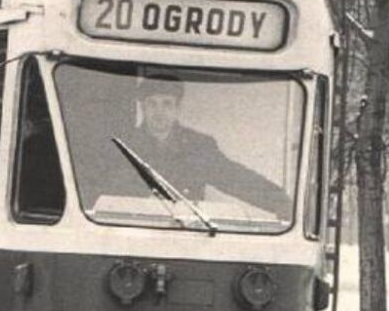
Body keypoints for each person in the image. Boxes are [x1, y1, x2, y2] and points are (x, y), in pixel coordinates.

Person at [120, 73, 292, 218]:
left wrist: (281, 203)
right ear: (142, 107)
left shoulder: (198, 146)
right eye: (152, 104)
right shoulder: (123, 145)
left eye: (167, 104)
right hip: (135, 228)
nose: (159, 112)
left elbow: (234, 177)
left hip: (185, 228)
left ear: (177, 108)